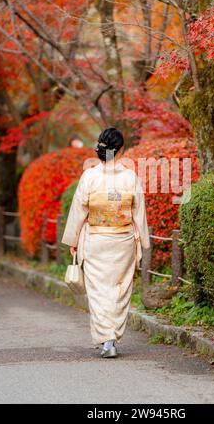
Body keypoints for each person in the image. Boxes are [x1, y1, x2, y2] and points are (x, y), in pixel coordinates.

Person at [61, 128, 150, 358]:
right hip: (123, 240)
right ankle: (113, 336)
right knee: (120, 290)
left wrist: (73, 239)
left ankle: (107, 340)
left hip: (96, 239)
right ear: (121, 150)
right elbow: (138, 212)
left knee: (99, 292)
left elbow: (79, 209)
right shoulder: (130, 177)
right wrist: (144, 240)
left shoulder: (89, 176)